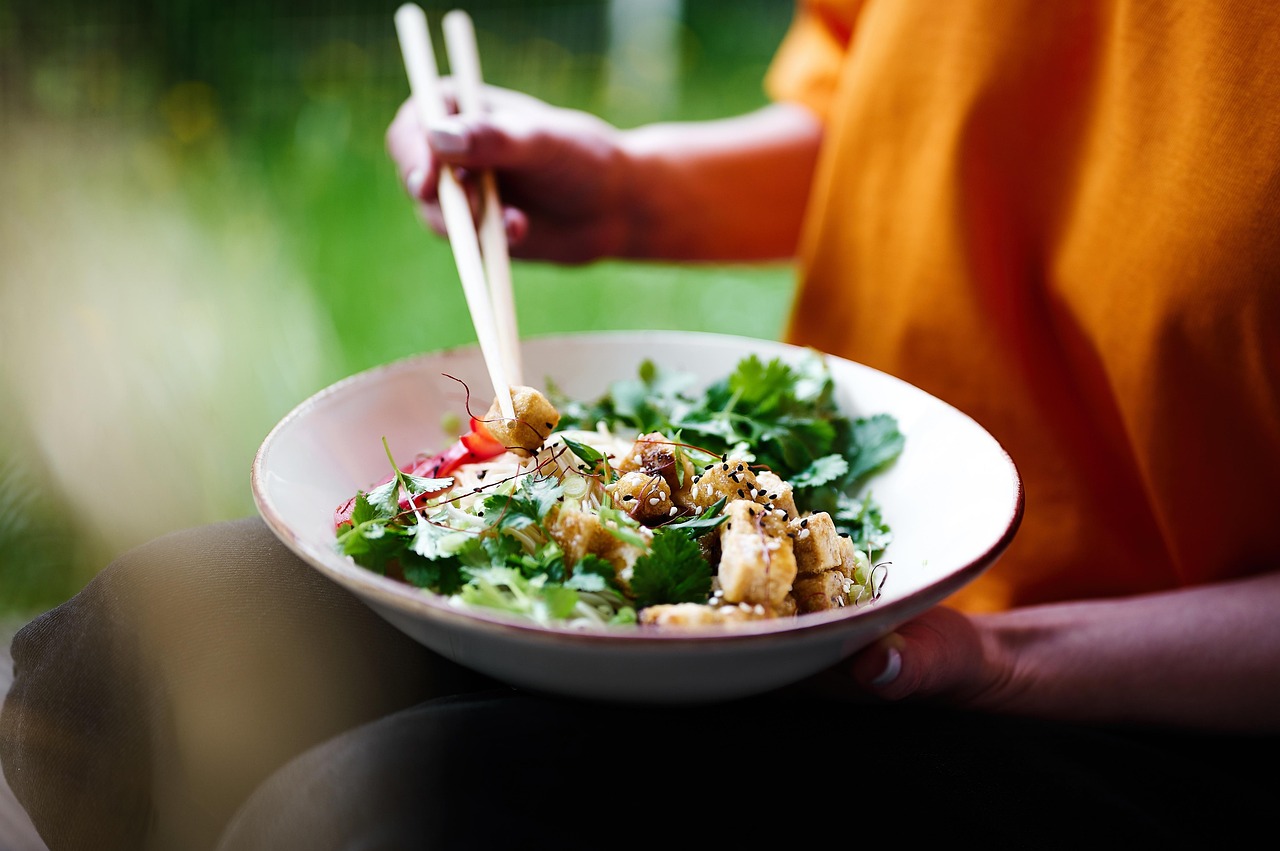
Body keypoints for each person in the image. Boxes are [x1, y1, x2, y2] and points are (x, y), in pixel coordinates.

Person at [4, 1, 1279, 848]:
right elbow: (873, 108)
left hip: (1139, 697)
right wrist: (625, 191)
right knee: (117, 665)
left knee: (362, 816)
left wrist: (1009, 659)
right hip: (849, 561)